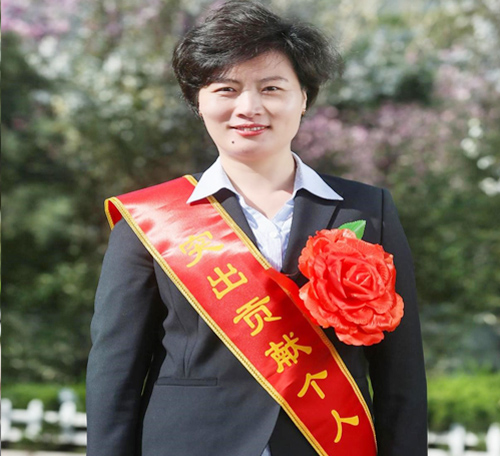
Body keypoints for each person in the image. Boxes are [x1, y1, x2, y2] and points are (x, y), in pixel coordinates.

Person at [86, 1, 427, 455]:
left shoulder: (367, 210)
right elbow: (115, 372)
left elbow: (400, 372)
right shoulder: (150, 219)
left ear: (303, 98)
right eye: (226, 89)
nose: (249, 107)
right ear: (198, 101)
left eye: (271, 88)